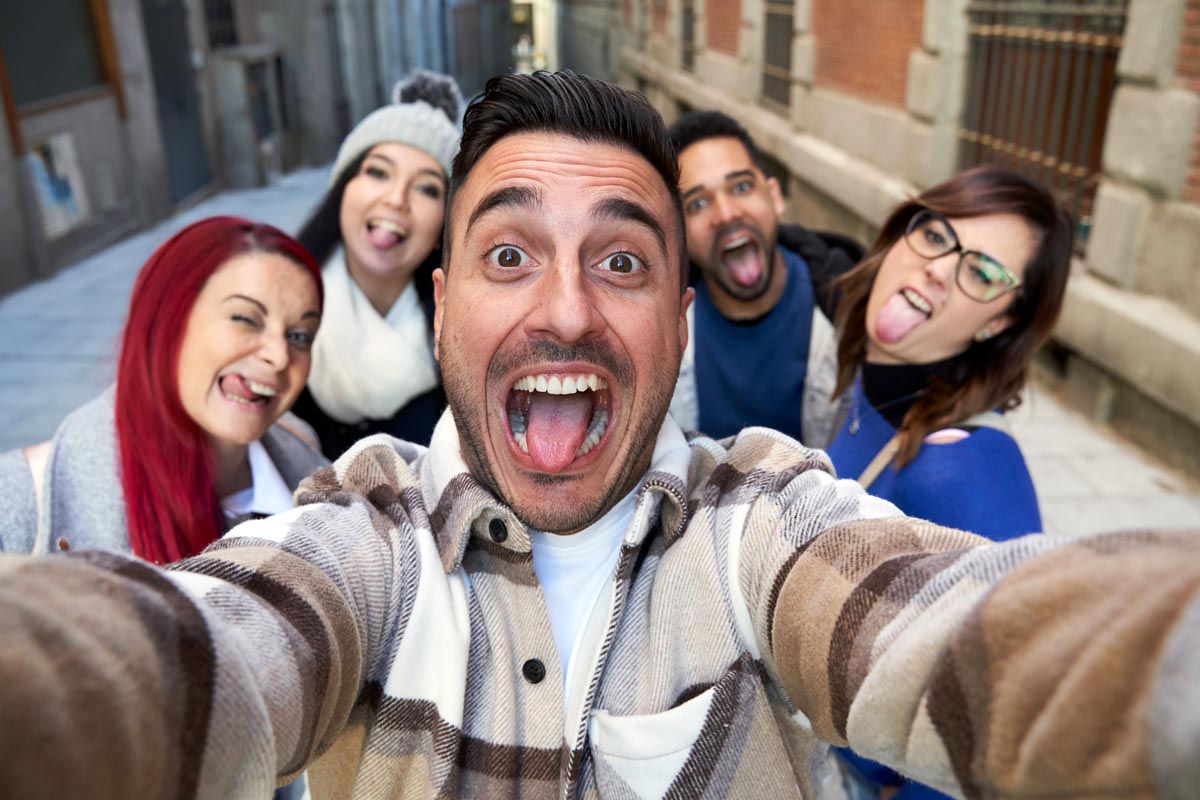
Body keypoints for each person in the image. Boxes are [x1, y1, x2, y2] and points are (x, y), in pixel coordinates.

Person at [0, 72, 1197, 800]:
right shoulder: (358, 522)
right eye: (509, 254)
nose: (566, 306)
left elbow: (972, 630)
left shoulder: (759, 516)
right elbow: (197, 654)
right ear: (444, 306)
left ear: (677, 325)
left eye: (621, 260)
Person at [0, 215, 326, 562]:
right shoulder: (17, 496)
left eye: (299, 336)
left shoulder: (307, 457)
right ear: (166, 319)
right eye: (245, 318)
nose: (279, 356)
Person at [826, 167, 1071, 541]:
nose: (938, 269)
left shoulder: (959, 471)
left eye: (982, 274)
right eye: (936, 235)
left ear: (1001, 322)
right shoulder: (867, 384)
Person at [289, 70, 462, 457]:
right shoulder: (278, 314)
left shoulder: (462, 335)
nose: (396, 199)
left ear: (444, 226)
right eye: (378, 172)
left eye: (426, 188)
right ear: (343, 190)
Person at [666, 110, 865, 447]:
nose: (727, 214)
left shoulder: (853, 313)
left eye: (741, 187)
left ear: (774, 196)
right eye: (698, 204)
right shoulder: (663, 339)